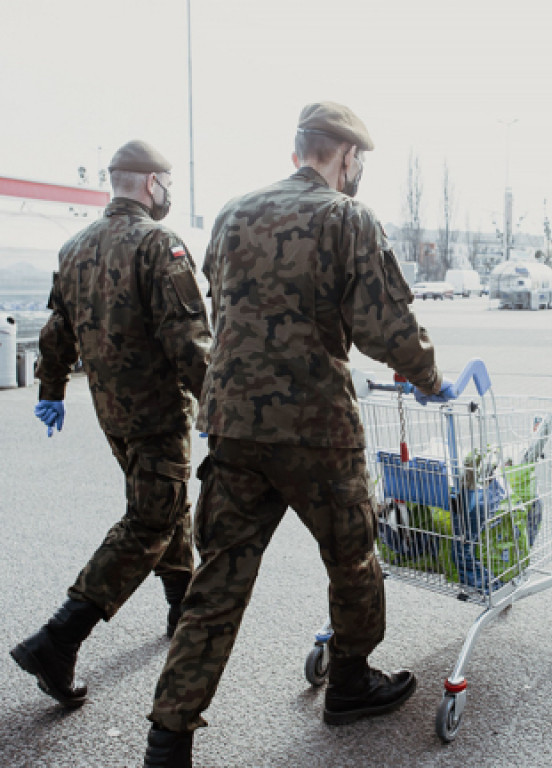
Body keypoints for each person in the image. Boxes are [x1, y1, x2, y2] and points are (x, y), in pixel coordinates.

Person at [142, 102, 453, 768]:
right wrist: (429, 377)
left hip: (231, 423)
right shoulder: (346, 218)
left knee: (219, 577)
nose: (359, 170)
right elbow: (386, 329)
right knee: (353, 557)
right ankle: (348, 682)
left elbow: (221, 310)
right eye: (359, 160)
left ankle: (167, 741)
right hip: (316, 428)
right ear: (344, 155)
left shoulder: (231, 213)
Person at [11, 141, 212, 710]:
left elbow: (56, 332)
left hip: (113, 416)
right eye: (168, 182)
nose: (169, 192)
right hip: (158, 413)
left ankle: (181, 607)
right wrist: (222, 409)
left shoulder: (74, 247)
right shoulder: (159, 245)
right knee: (151, 518)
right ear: (151, 184)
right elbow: (191, 341)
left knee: (167, 504)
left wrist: (52, 390)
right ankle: (57, 639)